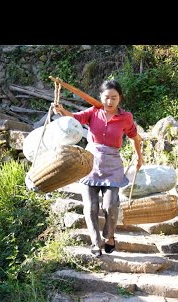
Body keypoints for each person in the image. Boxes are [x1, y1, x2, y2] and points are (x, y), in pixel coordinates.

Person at [53, 79, 143, 257]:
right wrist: (62, 110)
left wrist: (139, 157)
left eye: (114, 98)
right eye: (106, 97)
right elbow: (75, 119)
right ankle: (96, 242)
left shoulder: (126, 118)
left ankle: (110, 236)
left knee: (111, 205)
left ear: (120, 99)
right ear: (101, 97)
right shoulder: (93, 112)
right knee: (91, 206)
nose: (110, 102)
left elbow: (134, 137)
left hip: (112, 165)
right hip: (90, 163)